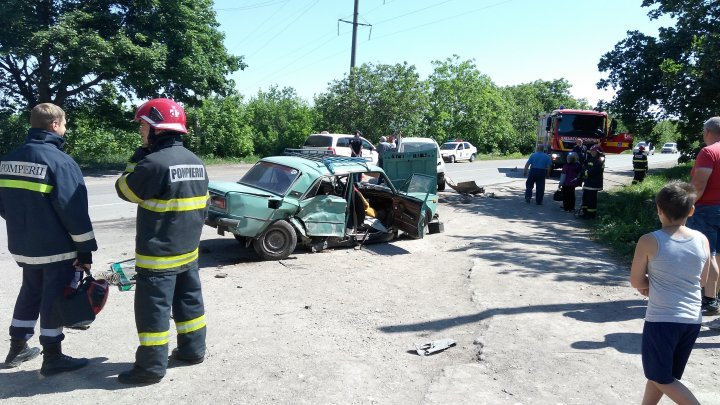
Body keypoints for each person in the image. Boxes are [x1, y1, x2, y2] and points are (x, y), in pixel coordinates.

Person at [115, 98, 209, 384]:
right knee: (189, 303)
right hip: (188, 251)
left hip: (158, 256)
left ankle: (151, 368)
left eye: (143, 126)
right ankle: (193, 351)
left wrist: (137, 157)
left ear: (157, 128)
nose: (141, 132)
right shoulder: (196, 162)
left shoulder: (152, 164)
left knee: (152, 312)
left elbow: (124, 190)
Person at [0, 103, 97, 375]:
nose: (65, 128)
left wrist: (26, 225)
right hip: (56, 248)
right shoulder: (60, 161)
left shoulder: (9, 159)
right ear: (54, 125)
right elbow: (74, 212)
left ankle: (17, 347)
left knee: (31, 289)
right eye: (64, 123)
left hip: (23, 246)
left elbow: (4, 204)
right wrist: (85, 251)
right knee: (53, 296)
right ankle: (52, 355)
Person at [629, 181, 708, 405]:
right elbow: (704, 279)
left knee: (659, 376)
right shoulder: (702, 239)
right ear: (691, 210)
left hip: (662, 320)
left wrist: (651, 285)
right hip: (692, 320)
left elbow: (636, 280)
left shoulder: (649, 240)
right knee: (663, 376)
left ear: (658, 209)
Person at [688, 117, 720, 318]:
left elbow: (699, 185)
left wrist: (686, 206)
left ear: (708, 131)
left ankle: (709, 300)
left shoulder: (709, 152)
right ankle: (715, 295)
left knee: (708, 253)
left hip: (707, 209)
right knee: (718, 254)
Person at [578, 144, 605, 219]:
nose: (592, 152)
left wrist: (585, 172)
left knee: (591, 200)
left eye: (594, 151)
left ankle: (591, 215)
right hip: (588, 182)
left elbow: (593, 171)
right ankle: (585, 213)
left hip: (594, 183)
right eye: (592, 151)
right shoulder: (590, 159)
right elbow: (585, 168)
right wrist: (582, 173)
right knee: (585, 198)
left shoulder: (599, 160)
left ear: (598, 152)